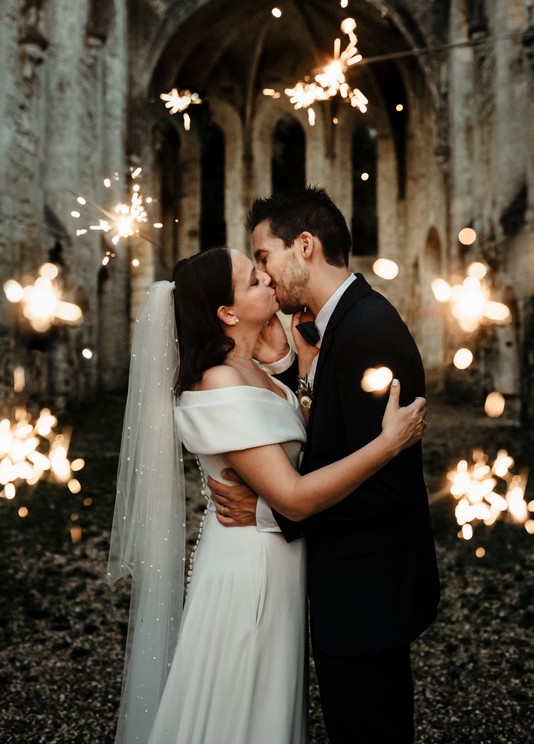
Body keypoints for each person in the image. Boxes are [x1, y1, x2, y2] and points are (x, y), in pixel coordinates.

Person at [107, 245, 427, 744]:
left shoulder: (255, 371)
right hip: (248, 570)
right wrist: (388, 444)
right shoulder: (216, 382)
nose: (266, 278)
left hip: (277, 560)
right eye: (251, 279)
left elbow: (292, 430)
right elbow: (294, 497)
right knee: (243, 706)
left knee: (271, 702)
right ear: (226, 312)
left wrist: (284, 366)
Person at [208, 187, 441, 744]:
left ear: (304, 246)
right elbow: (337, 440)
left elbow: (388, 488)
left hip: (368, 592)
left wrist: (271, 511)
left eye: (264, 257)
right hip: (357, 587)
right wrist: (293, 373)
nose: (263, 274)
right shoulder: (343, 324)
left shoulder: (367, 332)